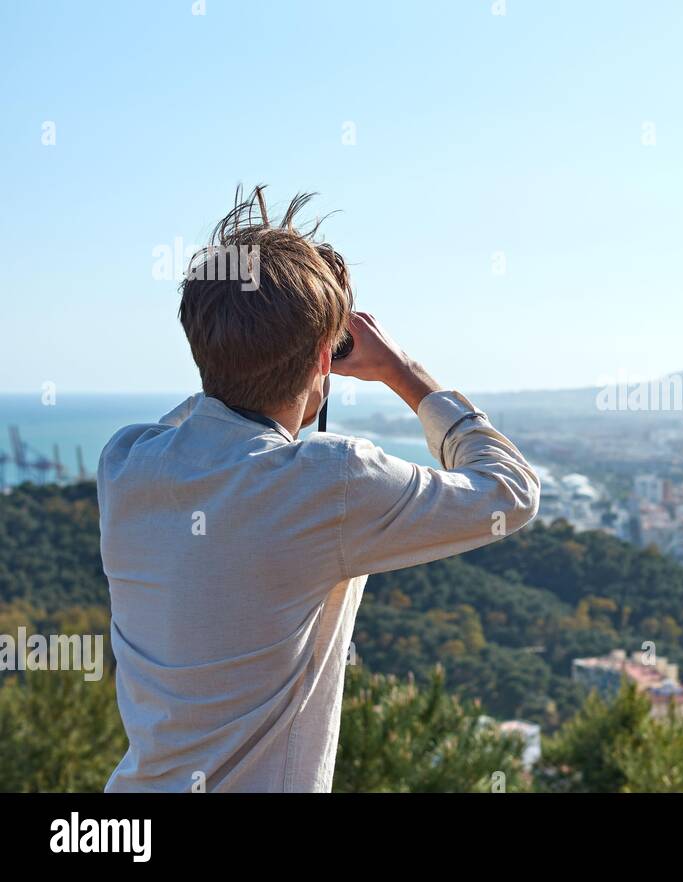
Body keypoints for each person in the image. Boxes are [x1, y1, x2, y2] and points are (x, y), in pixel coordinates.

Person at [97, 187, 540, 792]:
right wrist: (400, 369)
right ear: (322, 361)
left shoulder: (125, 464)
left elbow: (207, 415)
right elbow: (510, 492)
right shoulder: (329, 480)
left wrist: (275, 360)